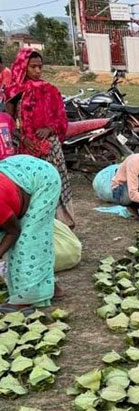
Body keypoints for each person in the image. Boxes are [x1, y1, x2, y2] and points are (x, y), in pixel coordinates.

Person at [3, 48, 73, 228]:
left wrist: (49, 129)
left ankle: (60, 224)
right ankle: (33, 225)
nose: (37, 71)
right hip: (26, 148)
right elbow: (10, 124)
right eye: (33, 67)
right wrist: (24, 139)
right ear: (22, 67)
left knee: (53, 181)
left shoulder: (50, 90)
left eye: (40, 67)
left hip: (50, 147)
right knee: (30, 186)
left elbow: (61, 119)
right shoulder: (13, 92)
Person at [0, 155, 60, 312]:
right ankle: (48, 287)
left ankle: (24, 300)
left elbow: (13, 231)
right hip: (18, 170)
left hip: (43, 180)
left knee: (27, 243)